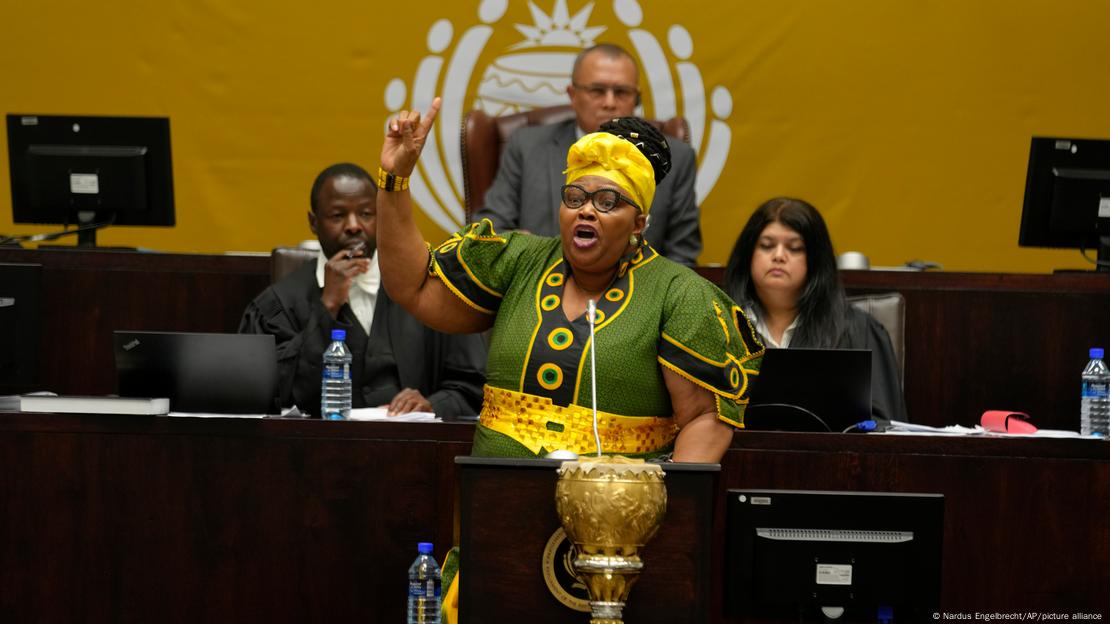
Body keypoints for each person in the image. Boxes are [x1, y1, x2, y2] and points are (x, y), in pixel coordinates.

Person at [375, 98, 764, 463]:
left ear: (639, 224)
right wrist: (395, 180)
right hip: (495, 505)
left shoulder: (678, 295)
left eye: (608, 202)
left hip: (619, 521)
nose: (587, 211)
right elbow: (414, 286)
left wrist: (660, 509)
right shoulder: (518, 260)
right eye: (575, 197)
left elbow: (705, 420)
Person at [239, 163, 486, 418]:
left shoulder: (431, 288)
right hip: (319, 449)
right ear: (314, 223)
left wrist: (433, 405)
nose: (354, 226)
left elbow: (473, 387)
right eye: (337, 216)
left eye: (366, 214)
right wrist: (327, 307)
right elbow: (267, 397)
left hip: (414, 447)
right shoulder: (277, 305)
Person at [473, 43, 702, 266]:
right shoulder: (526, 146)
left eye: (622, 92)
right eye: (597, 91)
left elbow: (681, 257)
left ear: (636, 98)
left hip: (640, 295)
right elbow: (491, 230)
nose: (610, 103)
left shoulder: (675, 159)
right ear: (573, 95)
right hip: (538, 290)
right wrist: (519, 246)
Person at [723, 197, 908, 422]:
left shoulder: (858, 329)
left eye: (795, 248)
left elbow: (884, 425)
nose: (779, 256)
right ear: (748, 255)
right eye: (767, 245)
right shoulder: (722, 325)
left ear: (816, 261)